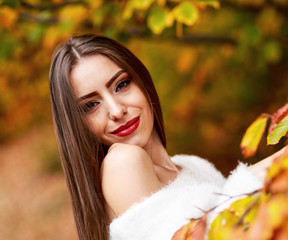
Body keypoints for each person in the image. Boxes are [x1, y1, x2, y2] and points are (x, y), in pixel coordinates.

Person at [49, 34, 274, 240]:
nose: (117, 111)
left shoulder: (191, 165)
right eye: (91, 105)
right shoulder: (123, 162)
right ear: (77, 124)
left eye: (122, 84)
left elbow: (232, 217)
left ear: (142, 81)